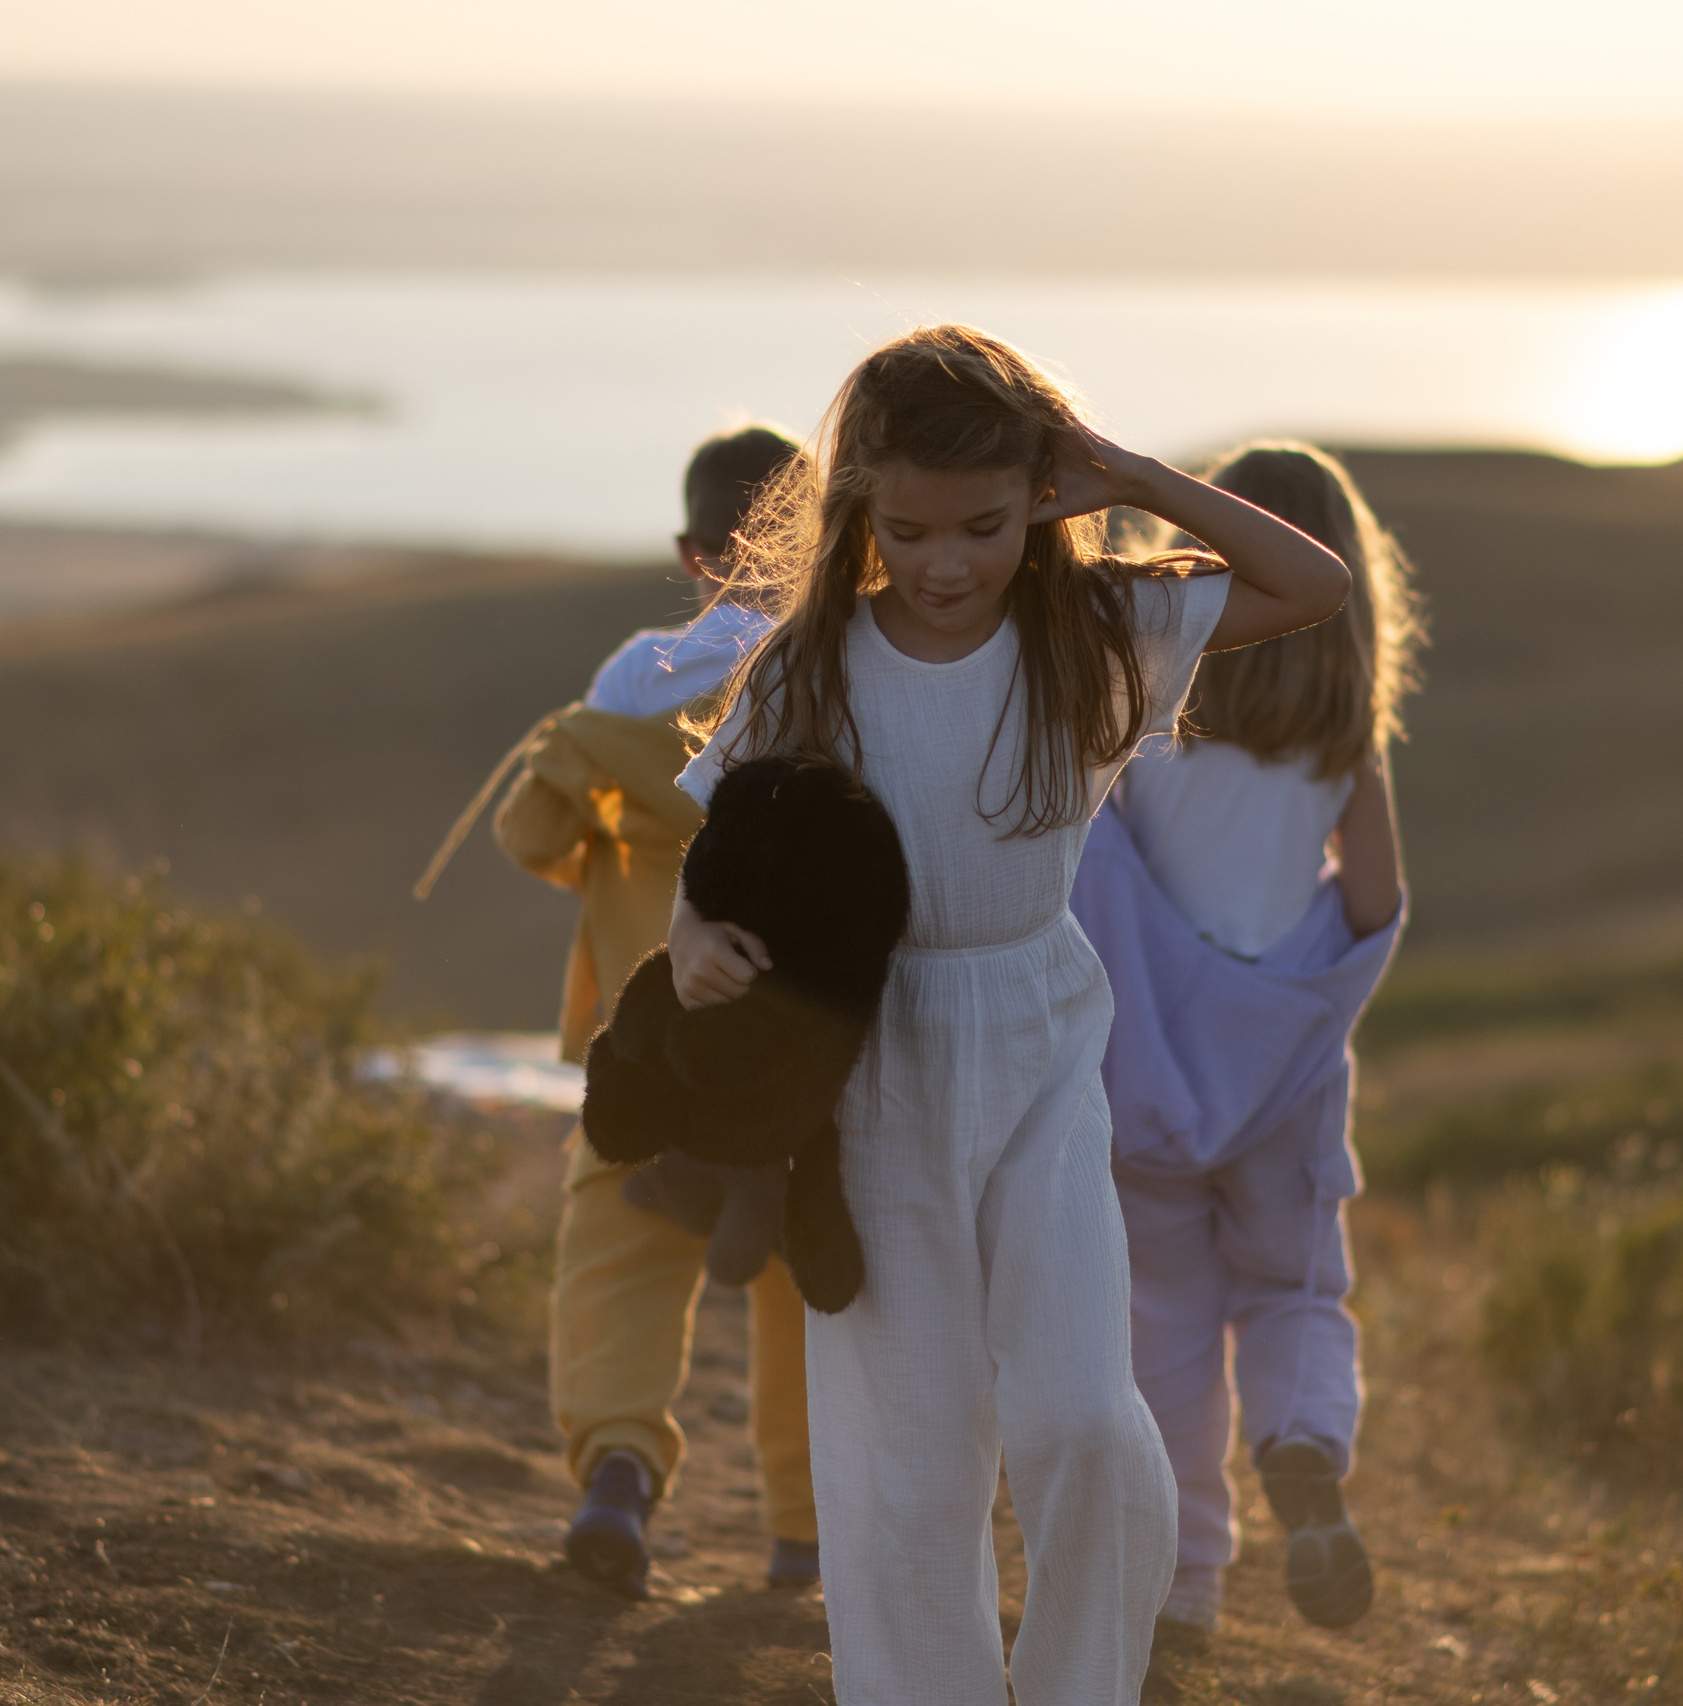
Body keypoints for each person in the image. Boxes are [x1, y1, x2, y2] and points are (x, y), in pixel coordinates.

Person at [669, 326, 1350, 1706]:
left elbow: (1312, 582)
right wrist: (691, 935)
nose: (941, 564)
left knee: (1086, 1420)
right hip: (871, 1064)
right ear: (862, 508)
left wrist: (1131, 475)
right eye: (906, 528)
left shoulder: (1103, 633)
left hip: (1043, 1045)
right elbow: (714, 847)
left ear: (1041, 500)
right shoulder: (815, 662)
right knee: (909, 1458)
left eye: (981, 525)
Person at [419, 425, 819, 1598]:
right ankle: (804, 1536)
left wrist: (593, 794)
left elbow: (533, 835)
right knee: (807, 1289)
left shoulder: (632, 682)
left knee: (616, 1267)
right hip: (789, 1054)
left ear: (692, 553)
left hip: (641, 1052)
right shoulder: (830, 677)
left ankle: (619, 1475)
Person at [1070, 442, 1419, 1635]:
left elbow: (1090, 864)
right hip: (1283, 1080)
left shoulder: (1148, 712)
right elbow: (1373, 903)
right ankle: (1304, 1444)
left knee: (1163, 1325)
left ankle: (1186, 1586)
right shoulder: (1345, 739)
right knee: (1295, 1288)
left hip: (1148, 1072)